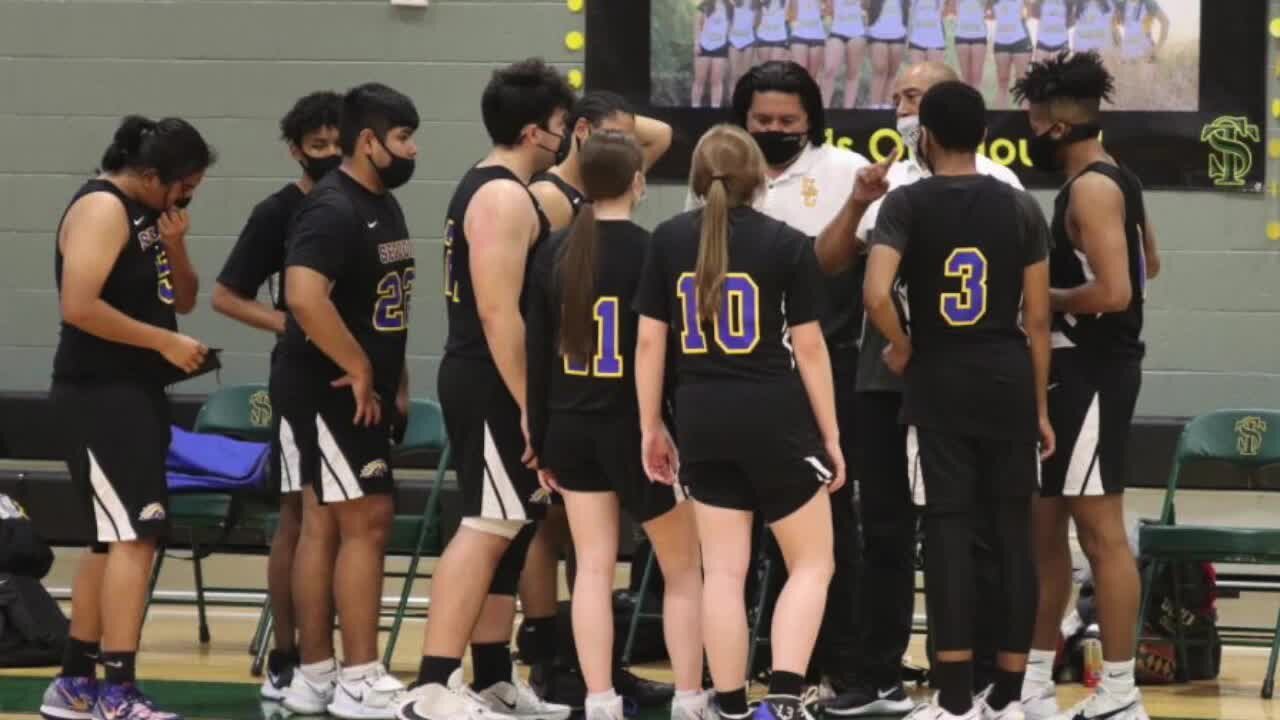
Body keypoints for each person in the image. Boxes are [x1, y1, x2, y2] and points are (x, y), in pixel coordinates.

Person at [815, 61, 1023, 717]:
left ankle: (979, 674)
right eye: (900, 95)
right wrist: (855, 203)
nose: (907, 108)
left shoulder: (1002, 186)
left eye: (920, 97)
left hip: (959, 383)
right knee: (885, 529)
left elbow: (1023, 303)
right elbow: (830, 267)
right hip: (885, 379)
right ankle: (881, 673)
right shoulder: (887, 184)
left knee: (973, 531)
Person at [635, 123, 844, 720]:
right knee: (812, 563)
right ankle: (780, 696)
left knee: (722, 572)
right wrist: (829, 436)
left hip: (699, 416)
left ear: (699, 180)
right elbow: (809, 350)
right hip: (773, 415)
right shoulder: (786, 243)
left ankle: (726, 705)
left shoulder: (668, 239)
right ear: (759, 178)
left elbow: (650, 345)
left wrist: (651, 423)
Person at [862, 80, 1053, 720]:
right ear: (985, 136)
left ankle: (951, 699)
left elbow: (876, 293)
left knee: (946, 532)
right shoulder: (1020, 206)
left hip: (939, 382)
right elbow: (1037, 315)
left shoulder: (906, 203)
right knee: (1011, 534)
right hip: (1007, 379)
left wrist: (902, 344)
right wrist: (1043, 408)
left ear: (926, 136)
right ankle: (1008, 692)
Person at [396, 58, 575, 720]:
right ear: (535, 132)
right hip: (491, 375)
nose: (567, 138)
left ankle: (493, 677)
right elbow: (500, 314)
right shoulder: (500, 195)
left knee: (513, 527)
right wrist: (532, 407)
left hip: (498, 375)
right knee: (486, 524)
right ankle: (431, 684)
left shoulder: (500, 187)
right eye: (562, 126)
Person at [525, 131, 708, 720]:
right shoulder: (653, 249)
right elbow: (668, 350)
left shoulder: (551, 249)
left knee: (593, 569)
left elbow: (535, 353)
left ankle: (600, 698)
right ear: (637, 182)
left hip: (570, 427)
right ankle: (688, 697)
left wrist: (538, 429)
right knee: (684, 571)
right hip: (634, 429)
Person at [704, 60, 869, 706]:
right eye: (762, 121)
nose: (774, 130)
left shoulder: (845, 173)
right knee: (740, 554)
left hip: (823, 367)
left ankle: (834, 668)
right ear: (742, 122)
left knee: (829, 532)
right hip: (742, 375)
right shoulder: (715, 181)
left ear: (811, 121)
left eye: (787, 122)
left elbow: (825, 294)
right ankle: (762, 679)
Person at [40, 115, 215, 720]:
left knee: (108, 541)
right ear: (149, 174)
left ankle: (73, 682)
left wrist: (176, 243)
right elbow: (78, 305)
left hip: (134, 392)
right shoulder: (102, 208)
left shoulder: (147, 217)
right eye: (183, 183)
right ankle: (117, 690)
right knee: (137, 538)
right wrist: (162, 344)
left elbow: (183, 299)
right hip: (99, 393)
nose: (187, 195)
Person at [1012, 50, 1158, 720]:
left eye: (1035, 122)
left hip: (1094, 373)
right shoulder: (1113, 175)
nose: (1030, 134)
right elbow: (1150, 259)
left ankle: (1121, 695)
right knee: (1045, 535)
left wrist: (1043, 299)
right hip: (1068, 375)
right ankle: (1033, 684)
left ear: (1058, 125)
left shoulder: (1096, 186)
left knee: (1101, 536)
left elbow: (1119, 289)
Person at [269, 82, 417, 720]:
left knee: (327, 524)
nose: (412, 150)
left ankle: (316, 675)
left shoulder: (379, 201)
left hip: (362, 389)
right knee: (368, 521)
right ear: (369, 141)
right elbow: (303, 295)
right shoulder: (333, 206)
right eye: (403, 138)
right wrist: (357, 364)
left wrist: (395, 376)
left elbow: (382, 305)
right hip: (328, 389)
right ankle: (358, 676)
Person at [209, 89, 342, 701]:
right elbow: (226, 295)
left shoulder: (367, 206)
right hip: (301, 378)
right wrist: (292, 322)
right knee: (299, 514)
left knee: (347, 519)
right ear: (296, 151)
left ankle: (341, 657)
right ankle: (289, 653)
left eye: (339, 143)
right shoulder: (276, 212)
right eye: (318, 147)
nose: (331, 154)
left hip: (357, 374)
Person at [866, 0, 908, 108]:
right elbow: (864, 5)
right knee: (880, 70)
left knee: (892, 73)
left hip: (899, 33)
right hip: (876, 32)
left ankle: (887, 106)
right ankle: (874, 106)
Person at [827, 0, 868, 109]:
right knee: (829, 70)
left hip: (857, 32)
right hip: (837, 30)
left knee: (853, 74)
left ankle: (848, 110)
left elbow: (866, 5)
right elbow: (829, 9)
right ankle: (823, 110)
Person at [991, 0, 1032, 108]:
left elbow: (1029, 11)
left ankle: (1023, 118)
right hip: (1001, 42)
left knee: (1022, 81)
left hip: (1020, 40)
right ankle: (999, 116)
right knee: (1002, 80)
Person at [694, 0, 732, 107]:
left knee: (717, 81)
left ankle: (715, 108)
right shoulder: (704, 4)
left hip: (721, 47)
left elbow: (730, 27)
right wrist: (697, 43)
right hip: (703, 46)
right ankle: (695, 106)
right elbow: (697, 24)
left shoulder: (729, 6)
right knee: (699, 80)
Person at [788, 0, 830, 98]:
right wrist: (793, 27)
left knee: (812, 76)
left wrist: (826, 31)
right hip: (798, 34)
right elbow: (791, 10)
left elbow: (827, 8)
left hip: (817, 35)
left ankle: (810, 104)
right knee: (799, 74)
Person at [949, 0, 991, 88]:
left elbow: (989, 8)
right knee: (965, 78)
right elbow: (951, 9)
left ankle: (976, 100)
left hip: (979, 35)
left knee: (977, 76)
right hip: (962, 35)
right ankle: (966, 100)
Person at [729, 0, 759, 92]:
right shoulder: (732, 3)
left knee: (745, 73)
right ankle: (732, 99)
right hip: (734, 40)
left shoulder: (757, 4)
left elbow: (756, 23)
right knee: (734, 73)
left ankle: (744, 98)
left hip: (749, 40)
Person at [908, 0, 948, 64]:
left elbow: (948, 12)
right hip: (916, 41)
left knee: (935, 73)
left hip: (936, 42)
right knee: (918, 73)